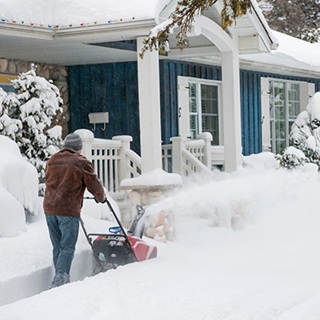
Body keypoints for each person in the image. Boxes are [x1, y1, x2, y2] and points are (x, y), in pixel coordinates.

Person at [43, 132, 105, 288]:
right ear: (78, 148)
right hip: (67, 210)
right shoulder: (81, 162)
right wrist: (101, 197)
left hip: (49, 209)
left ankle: (60, 278)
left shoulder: (52, 160)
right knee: (67, 247)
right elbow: (94, 185)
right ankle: (60, 281)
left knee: (58, 247)